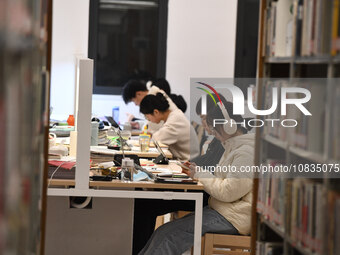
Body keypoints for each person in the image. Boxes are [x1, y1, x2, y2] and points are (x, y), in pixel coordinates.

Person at [138, 99, 255, 255]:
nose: (213, 132)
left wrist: (199, 174)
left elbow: (228, 192)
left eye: (215, 128)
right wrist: (197, 171)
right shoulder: (233, 147)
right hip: (221, 210)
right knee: (163, 232)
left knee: (170, 236)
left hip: (233, 217)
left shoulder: (246, 153)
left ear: (229, 126)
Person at [132, 94, 225, 255]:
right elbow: (206, 162)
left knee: (145, 205)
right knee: (145, 202)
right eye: (203, 118)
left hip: (205, 194)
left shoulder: (226, 140)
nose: (204, 123)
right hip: (200, 186)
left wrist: (188, 167)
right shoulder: (218, 139)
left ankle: (137, 250)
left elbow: (213, 169)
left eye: (205, 117)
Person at [139, 93, 198, 161]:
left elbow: (157, 139)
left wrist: (151, 135)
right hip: (184, 159)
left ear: (156, 112)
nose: (148, 120)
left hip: (188, 162)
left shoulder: (175, 120)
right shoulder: (174, 115)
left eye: (147, 116)